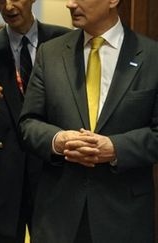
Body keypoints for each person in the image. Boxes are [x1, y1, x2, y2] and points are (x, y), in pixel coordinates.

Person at [19, 0, 158, 242]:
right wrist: (58, 140)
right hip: (58, 216)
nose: (70, 4)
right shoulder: (50, 53)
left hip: (124, 216)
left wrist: (115, 148)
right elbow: (28, 123)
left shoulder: (152, 57)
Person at [0, 0, 70, 242]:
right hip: (0, 180)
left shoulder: (65, 42)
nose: (8, 6)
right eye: (1, 0)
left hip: (52, 173)